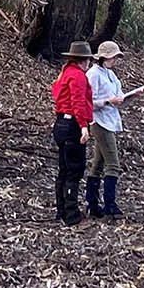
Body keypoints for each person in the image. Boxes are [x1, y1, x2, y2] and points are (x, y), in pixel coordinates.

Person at [85, 41, 133, 218]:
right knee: (113, 164)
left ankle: (92, 203)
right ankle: (110, 205)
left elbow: (118, 98)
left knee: (98, 163)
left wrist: (127, 98)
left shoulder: (111, 75)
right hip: (100, 122)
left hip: (111, 121)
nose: (116, 60)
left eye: (117, 56)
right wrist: (107, 101)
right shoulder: (93, 74)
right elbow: (88, 102)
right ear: (104, 57)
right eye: (113, 56)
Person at [50, 41, 95, 227]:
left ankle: (61, 211)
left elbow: (57, 96)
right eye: (88, 60)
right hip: (72, 126)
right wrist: (83, 126)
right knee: (74, 170)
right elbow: (78, 102)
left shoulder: (65, 74)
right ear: (83, 60)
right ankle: (72, 215)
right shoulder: (77, 76)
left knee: (64, 169)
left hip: (61, 123)